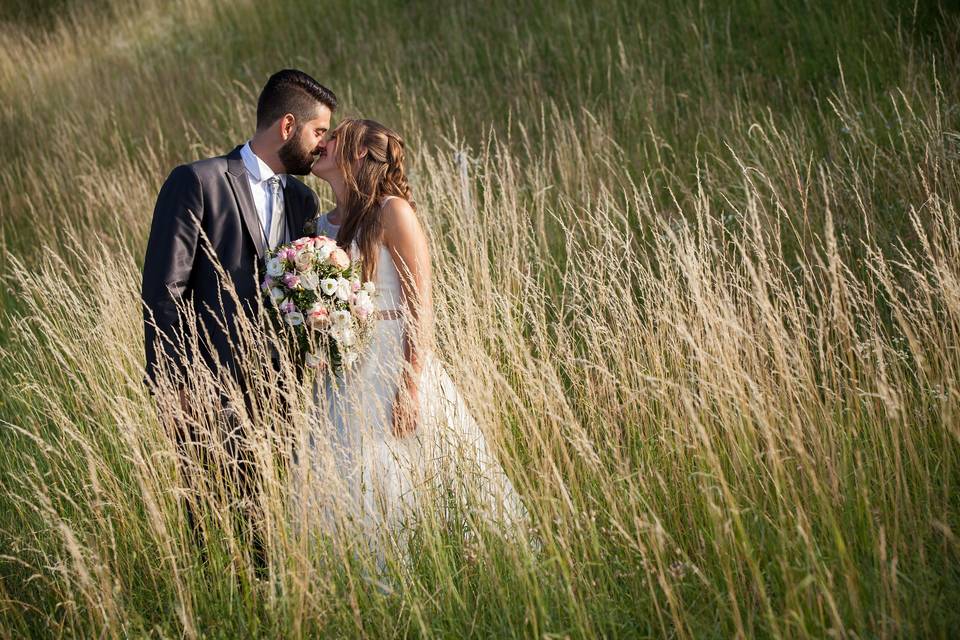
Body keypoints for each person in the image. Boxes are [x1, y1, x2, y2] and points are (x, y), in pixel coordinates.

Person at [296, 119, 527, 555]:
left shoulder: (392, 211)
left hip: (390, 362)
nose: (321, 144)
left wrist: (410, 384)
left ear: (361, 152)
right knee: (343, 473)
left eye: (334, 138)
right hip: (341, 363)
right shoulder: (321, 226)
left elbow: (420, 304)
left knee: (401, 469)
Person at [141, 69, 337, 570]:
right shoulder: (198, 181)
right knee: (214, 529)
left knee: (276, 531)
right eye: (319, 133)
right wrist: (176, 385)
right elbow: (165, 293)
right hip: (210, 387)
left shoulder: (303, 199)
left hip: (284, 393)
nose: (323, 146)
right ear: (288, 126)